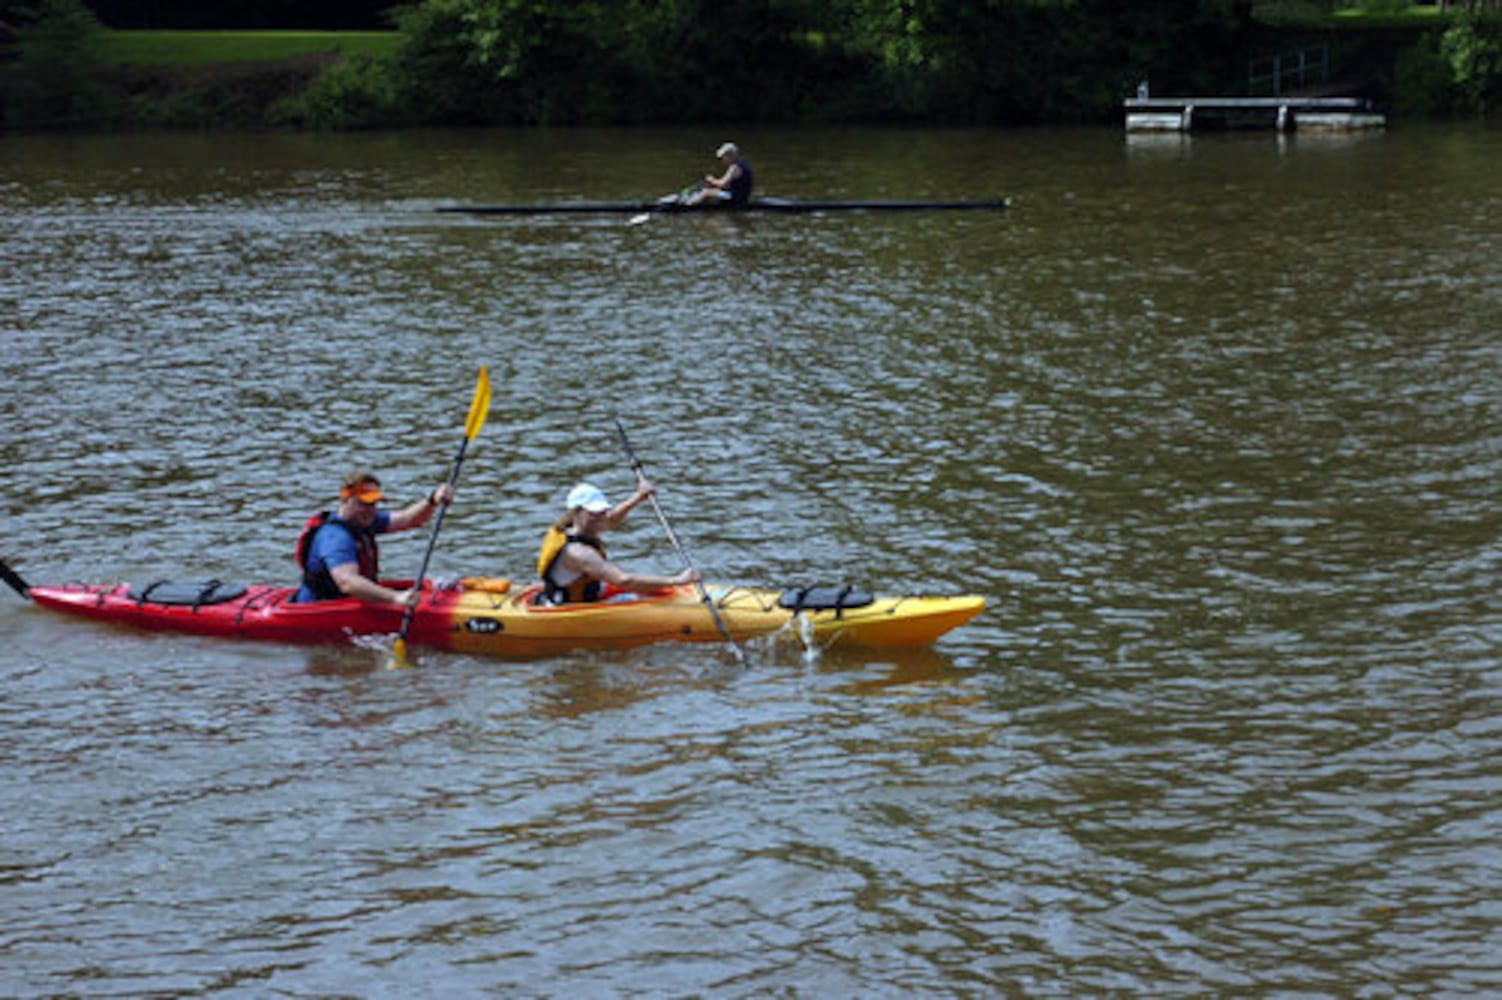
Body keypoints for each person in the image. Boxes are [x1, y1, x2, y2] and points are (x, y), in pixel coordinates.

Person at [294, 469, 455, 605]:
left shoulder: (364, 520)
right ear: (346, 500)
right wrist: (395, 597)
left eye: (373, 504)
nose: (370, 510)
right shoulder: (335, 538)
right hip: (323, 607)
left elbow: (409, 519)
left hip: (352, 602)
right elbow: (347, 583)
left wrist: (433, 499)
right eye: (364, 503)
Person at [537, 480, 699, 604]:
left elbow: (611, 520)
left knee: (646, 594)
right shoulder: (578, 553)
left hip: (588, 594)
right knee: (636, 598)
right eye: (595, 513)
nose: (601, 517)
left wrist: (639, 497)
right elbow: (623, 580)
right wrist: (677, 581)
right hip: (571, 609)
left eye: (602, 511)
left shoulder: (576, 528)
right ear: (577, 512)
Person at [688, 141, 753, 207]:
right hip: (741, 195)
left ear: (730, 155)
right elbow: (728, 185)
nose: (722, 160)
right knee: (711, 190)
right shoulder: (743, 163)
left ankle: (688, 206)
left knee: (706, 193)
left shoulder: (734, 168)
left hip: (736, 198)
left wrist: (711, 180)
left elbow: (722, 184)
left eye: (723, 157)